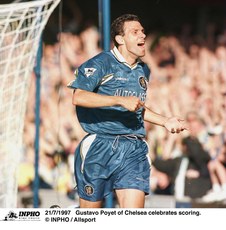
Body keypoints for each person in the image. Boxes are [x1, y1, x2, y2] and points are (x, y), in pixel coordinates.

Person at [67, 14, 186, 208]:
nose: (143, 35)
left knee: (133, 219)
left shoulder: (144, 70)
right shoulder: (99, 63)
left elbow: (136, 107)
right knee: (89, 219)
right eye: (135, 32)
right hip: (100, 144)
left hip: (133, 148)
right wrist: (119, 100)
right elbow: (79, 97)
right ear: (120, 39)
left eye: (143, 31)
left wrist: (165, 121)